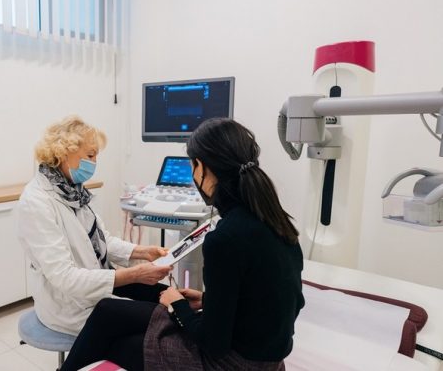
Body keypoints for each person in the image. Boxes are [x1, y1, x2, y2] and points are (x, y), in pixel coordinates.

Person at [61, 118, 305, 371]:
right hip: (268, 359)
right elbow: (267, 299)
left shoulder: (225, 239)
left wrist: (177, 304)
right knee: (108, 309)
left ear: (202, 168)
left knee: (117, 342)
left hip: (232, 363)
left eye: (192, 165)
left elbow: (214, 344)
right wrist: (208, 300)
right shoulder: (277, 221)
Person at [16, 115, 173, 336]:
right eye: (90, 155)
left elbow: (100, 239)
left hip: (93, 285)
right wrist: (133, 275)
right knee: (161, 319)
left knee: (173, 299)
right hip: (68, 307)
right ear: (62, 154)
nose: (95, 163)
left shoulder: (74, 191)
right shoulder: (37, 203)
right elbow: (65, 277)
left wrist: (143, 252)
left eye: (96, 155)